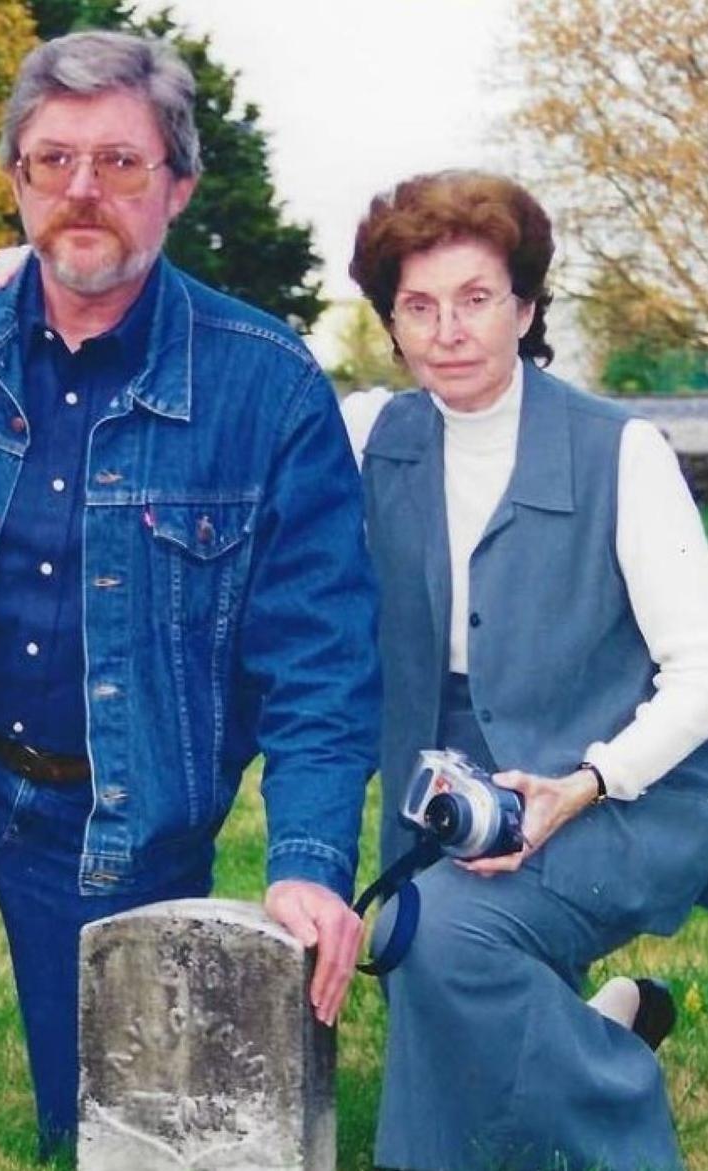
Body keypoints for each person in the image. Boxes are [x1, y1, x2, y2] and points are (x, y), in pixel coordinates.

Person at [0, 30, 379, 1171]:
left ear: (178, 187)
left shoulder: (266, 385)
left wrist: (304, 861)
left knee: (104, 1143)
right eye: (52, 161)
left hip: (117, 818)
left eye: (120, 162)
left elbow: (320, 662)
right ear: (15, 178)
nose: (82, 190)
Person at [347, 169, 708, 1171]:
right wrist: (46, 280)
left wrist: (582, 787)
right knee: (415, 946)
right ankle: (599, 1024)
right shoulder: (372, 435)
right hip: (446, 789)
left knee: (442, 941)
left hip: (624, 791)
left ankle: (620, 1116)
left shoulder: (618, 451)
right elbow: (234, 404)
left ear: (526, 307)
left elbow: (701, 671)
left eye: (475, 299)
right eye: (417, 306)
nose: (446, 331)